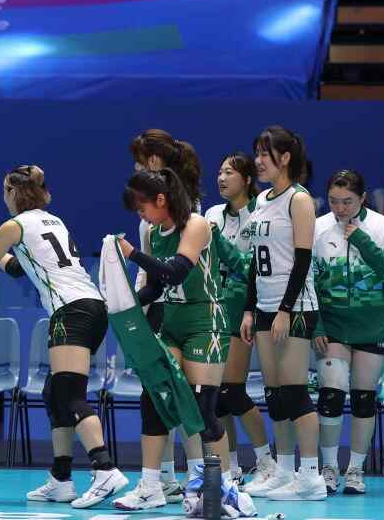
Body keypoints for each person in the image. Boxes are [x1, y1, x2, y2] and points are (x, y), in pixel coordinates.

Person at [0, 165, 127, 509]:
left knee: (69, 393)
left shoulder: (13, 225)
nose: (3, 196)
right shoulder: (52, 220)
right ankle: (61, 479)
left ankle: (105, 468)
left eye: (4, 190)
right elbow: (19, 267)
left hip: (70, 311)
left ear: (14, 193)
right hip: (91, 308)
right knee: (54, 392)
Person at [114, 168, 230, 511]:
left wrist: (132, 254)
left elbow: (177, 271)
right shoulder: (153, 232)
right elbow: (155, 286)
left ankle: (224, 488)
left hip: (206, 322)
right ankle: (150, 486)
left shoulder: (196, 224)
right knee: (155, 398)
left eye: (142, 208)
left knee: (202, 408)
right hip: (172, 322)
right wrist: (122, 304)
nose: (141, 215)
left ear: (162, 199)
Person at [239, 126, 326, 501]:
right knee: (274, 395)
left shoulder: (299, 200)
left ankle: (311, 477)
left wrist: (285, 310)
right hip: (263, 306)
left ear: (285, 157)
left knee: (294, 392)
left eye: (265, 153)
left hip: (295, 308)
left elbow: (303, 260)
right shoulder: (262, 200)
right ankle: (285, 471)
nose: (258, 161)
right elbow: (254, 262)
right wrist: (249, 309)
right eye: (257, 153)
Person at [312, 170, 384, 495]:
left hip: (372, 326)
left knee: (364, 399)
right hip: (332, 326)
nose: (340, 209)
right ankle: (328, 468)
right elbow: (308, 279)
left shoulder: (383, 226)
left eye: (348, 202)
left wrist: (362, 240)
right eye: (334, 201)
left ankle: (355, 470)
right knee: (331, 393)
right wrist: (316, 324)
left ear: (363, 198)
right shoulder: (317, 227)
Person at [128, 129, 205, 500]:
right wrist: (133, 306)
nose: (135, 169)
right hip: (158, 308)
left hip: (193, 313)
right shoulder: (148, 219)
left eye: (139, 162)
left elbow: (175, 270)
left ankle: (199, 478)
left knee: (188, 397)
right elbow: (150, 277)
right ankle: (165, 478)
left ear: (155, 162)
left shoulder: (192, 213)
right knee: (159, 395)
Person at [204, 153, 275, 485]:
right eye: (220, 171)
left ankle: (266, 461)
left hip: (242, 310)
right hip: (211, 309)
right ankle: (229, 466)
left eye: (229, 172)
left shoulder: (259, 216)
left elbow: (249, 269)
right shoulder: (211, 214)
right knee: (215, 395)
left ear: (247, 179)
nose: (221, 178)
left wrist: (216, 239)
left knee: (233, 391)